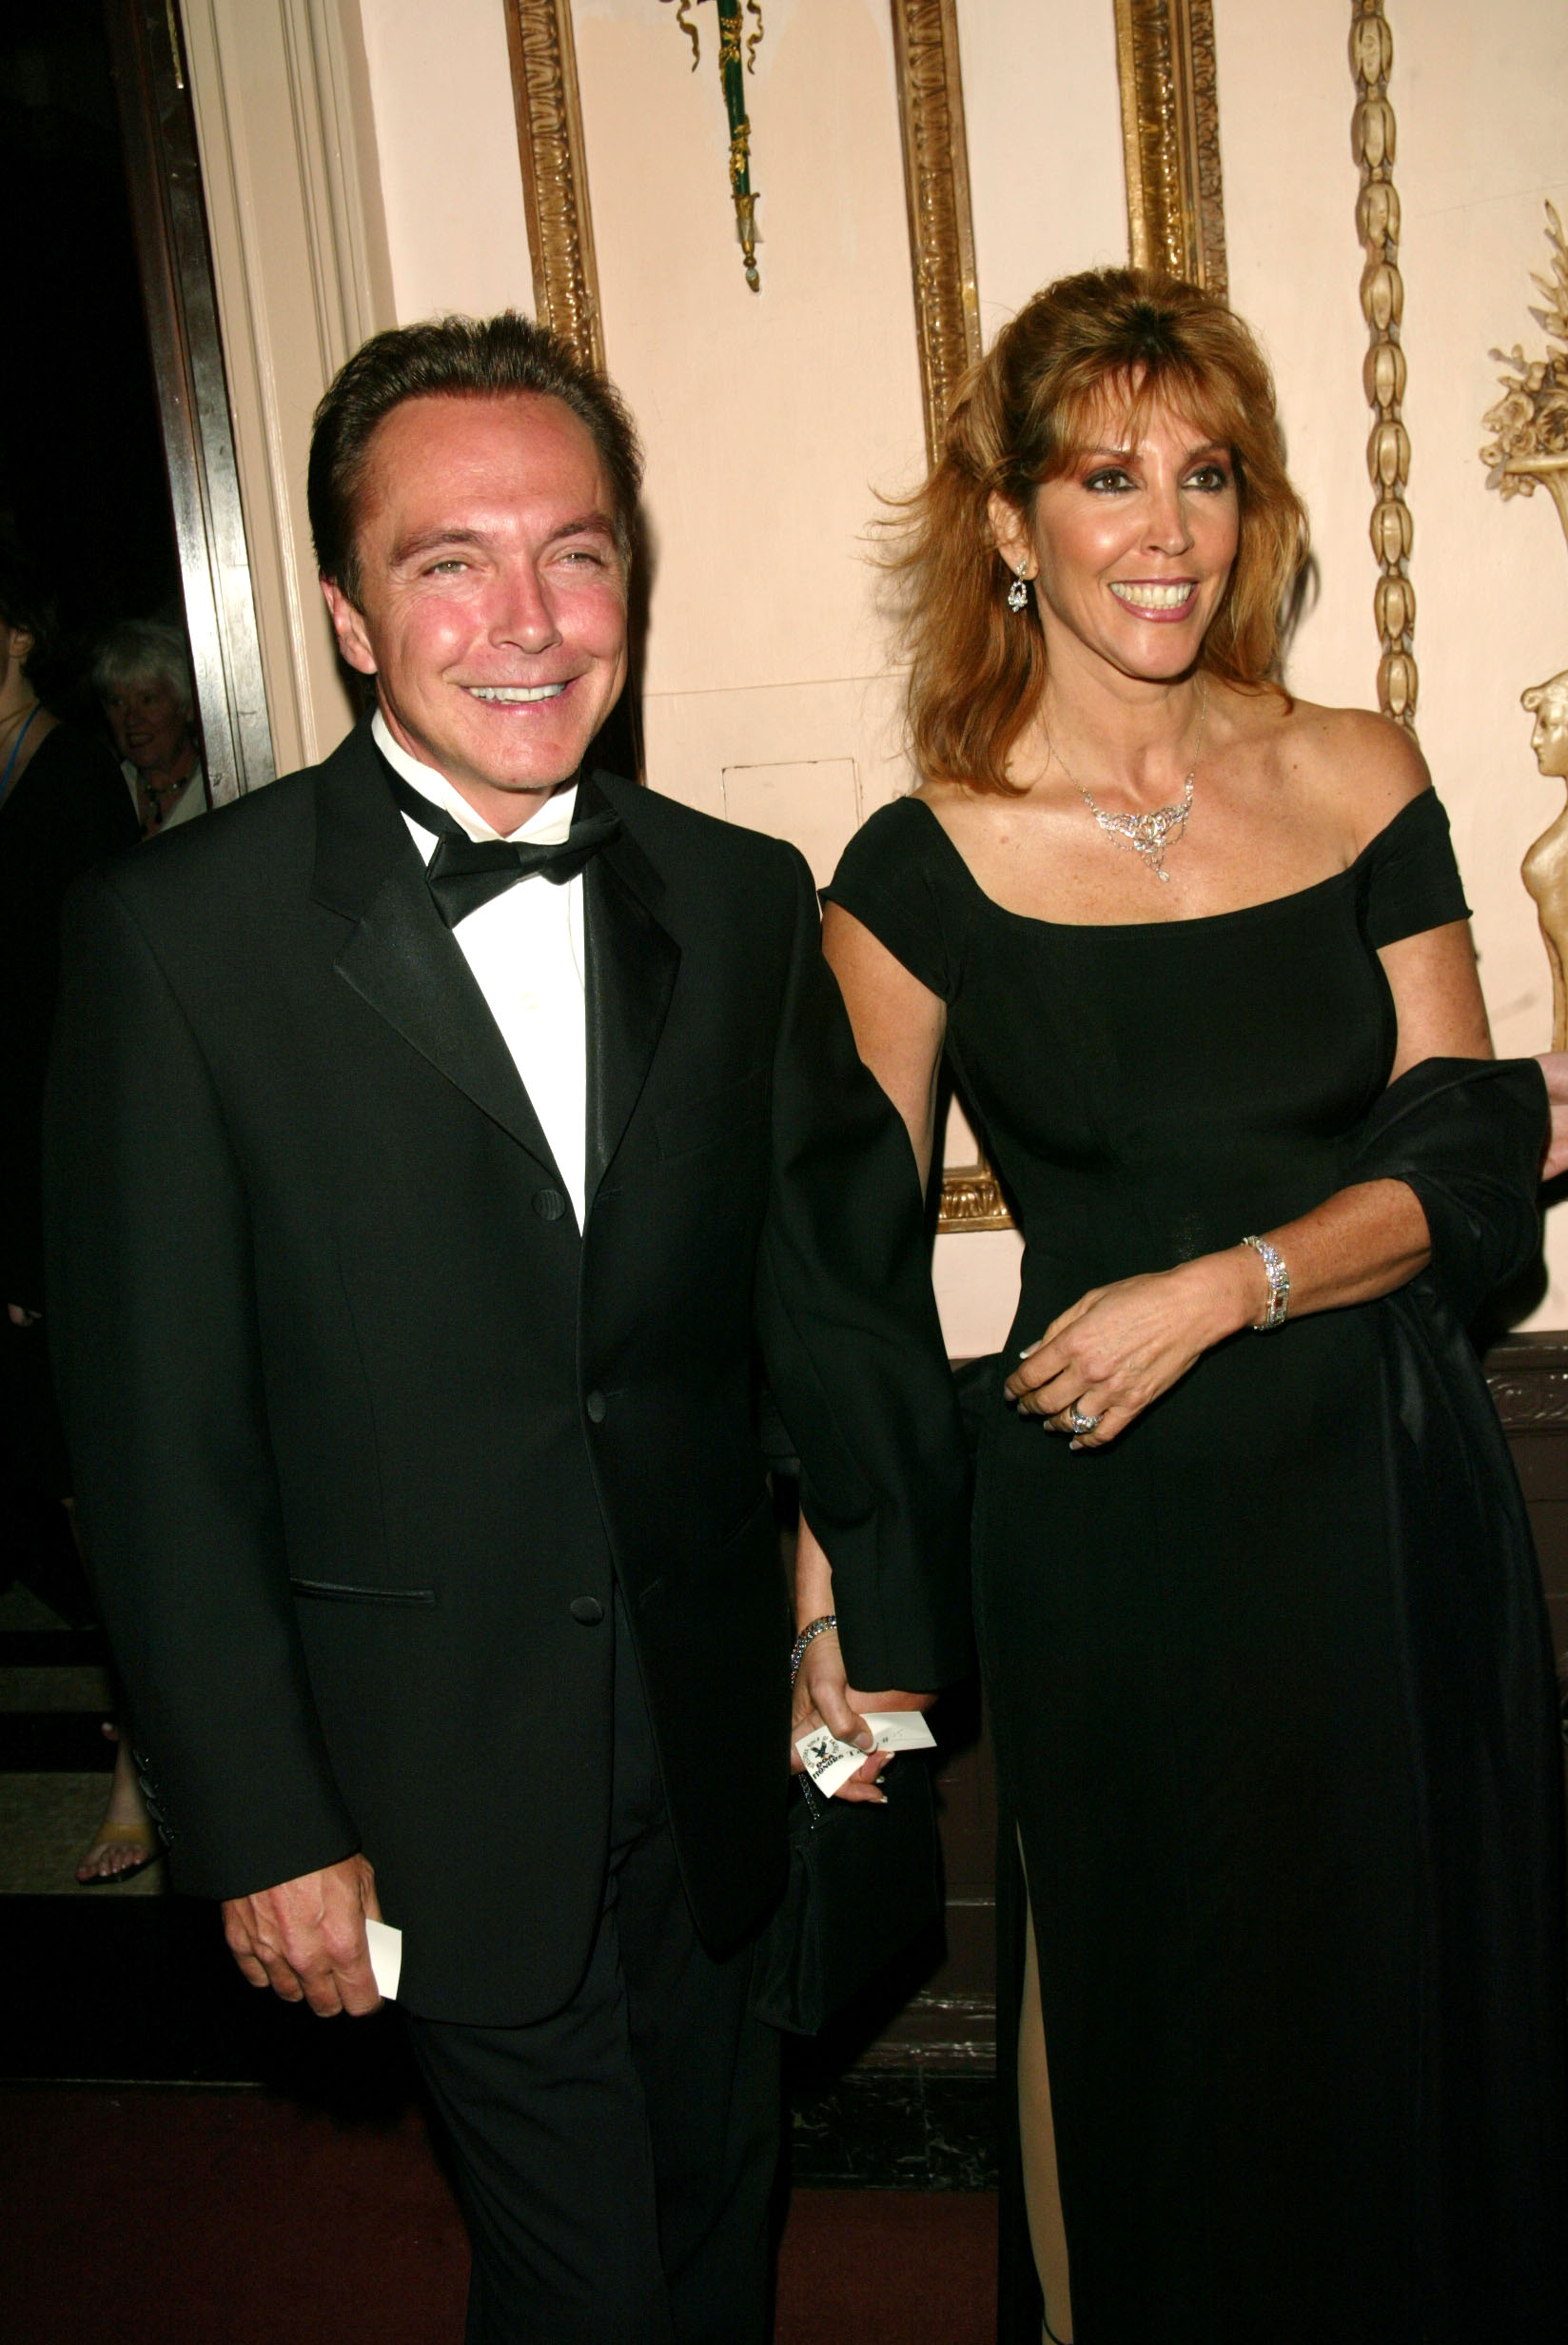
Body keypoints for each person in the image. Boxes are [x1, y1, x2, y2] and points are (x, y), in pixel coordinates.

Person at [44, 312, 970, 2344]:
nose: (530, 619)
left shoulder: (738, 897)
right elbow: (152, 1438)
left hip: (727, 1736)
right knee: (586, 2280)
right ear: (349, 616)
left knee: (720, 2221)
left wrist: (857, 1653)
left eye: (579, 551)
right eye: (447, 560)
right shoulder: (175, 942)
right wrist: (263, 1814)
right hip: (424, 1769)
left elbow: (828, 1312)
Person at [820, 268, 1568, 2343]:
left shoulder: (1351, 770)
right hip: (1106, 1541)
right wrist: (822, 1594)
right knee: (1166, 2041)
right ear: (1004, 523)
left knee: (1404, 2020)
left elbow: (1455, 1175)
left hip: (1382, 1504)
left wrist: (1221, 1288)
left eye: (1206, 474)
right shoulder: (915, 866)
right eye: (1104, 473)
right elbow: (849, 1288)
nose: (1165, 527)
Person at [0, 558, 151, 1881]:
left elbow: (90, 1040)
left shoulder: (72, 785)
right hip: (4, 1196)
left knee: (109, 1495)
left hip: (67, 1194)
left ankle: (140, 1762)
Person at [92, 618, 207, 835]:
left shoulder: (217, 786)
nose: (131, 719)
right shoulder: (104, 791)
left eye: (148, 700)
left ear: (186, 707)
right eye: (117, 702)